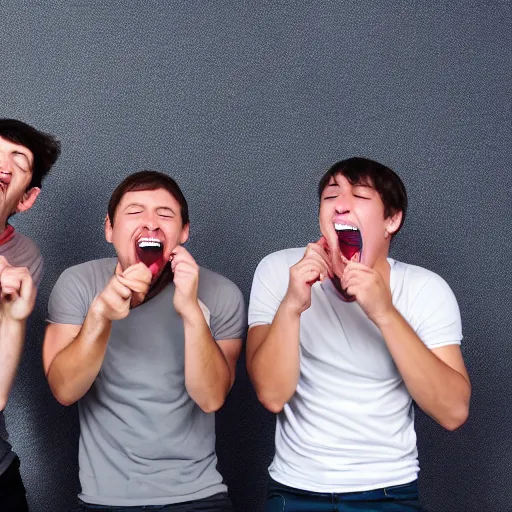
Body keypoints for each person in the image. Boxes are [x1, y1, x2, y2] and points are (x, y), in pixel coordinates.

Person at [247, 157, 471, 511]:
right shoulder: (279, 271)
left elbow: (453, 411)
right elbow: (272, 396)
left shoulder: (426, 289)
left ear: (391, 220)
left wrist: (384, 313)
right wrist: (292, 304)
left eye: (361, 197)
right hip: (294, 491)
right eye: (330, 196)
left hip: (389, 493)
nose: (341, 204)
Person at [43, 170, 245, 511]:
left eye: (165, 214)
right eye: (135, 212)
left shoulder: (220, 293)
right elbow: (64, 390)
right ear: (109, 228)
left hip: (198, 498)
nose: (151, 223)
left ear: (183, 233)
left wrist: (192, 312)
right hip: (103, 501)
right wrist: (100, 315)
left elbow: (210, 398)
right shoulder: (78, 283)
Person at [0, 119, 60, 511]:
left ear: (26, 198)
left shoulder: (24, 260)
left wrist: (13, 318)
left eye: (16, 159)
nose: (2, 162)